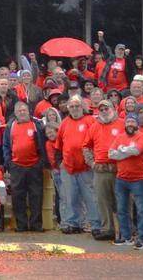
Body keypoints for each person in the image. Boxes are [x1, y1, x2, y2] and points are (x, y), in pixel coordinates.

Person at [2, 101, 47, 232]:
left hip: (34, 165)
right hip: (17, 166)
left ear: (29, 112)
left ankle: (36, 225)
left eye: (24, 110)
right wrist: (8, 162)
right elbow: (6, 146)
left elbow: (43, 144)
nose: (22, 112)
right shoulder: (11, 126)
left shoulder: (36, 125)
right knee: (17, 197)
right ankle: (21, 225)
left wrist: (41, 162)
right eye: (19, 110)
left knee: (36, 196)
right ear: (15, 113)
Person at [109, 114, 143, 250]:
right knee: (121, 209)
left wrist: (121, 150)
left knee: (141, 210)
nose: (130, 124)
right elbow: (110, 153)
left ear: (137, 124)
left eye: (133, 121)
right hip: (121, 178)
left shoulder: (142, 137)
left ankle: (142, 238)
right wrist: (127, 151)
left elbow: (137, 150)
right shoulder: (120, 137)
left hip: (138, 178)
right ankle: (126, 237)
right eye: (128, 122)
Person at [84, 99, 124, 241]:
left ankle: (126, 229)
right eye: (101, 109)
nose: (104, 111)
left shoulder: (122, 124)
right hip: (100, 170)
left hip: (119, 170)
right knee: (102, 200)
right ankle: (108, 229)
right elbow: (86, 146)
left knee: (122, 200)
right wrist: (91, 162)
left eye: (106, 109)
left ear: (113, 109)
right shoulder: (94, 127)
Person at [55, 97, 95, 235]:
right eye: (71, 106)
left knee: (90, 197)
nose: (74, 109)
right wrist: (60, 161)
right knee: (71, 197)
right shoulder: (64, 123)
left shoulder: (90, 121)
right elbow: (58, 145)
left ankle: (95, 224)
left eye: (77, 106)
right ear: (68, 108)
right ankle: (73, 223)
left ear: (82, 107)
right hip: (68, 167)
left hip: (86, 167)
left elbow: (96, 141)